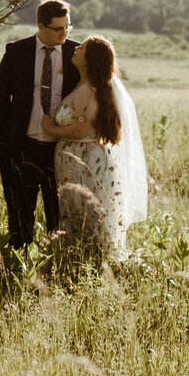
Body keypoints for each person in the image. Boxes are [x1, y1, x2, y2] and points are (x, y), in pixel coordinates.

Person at [44, 34, 149, 262]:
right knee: (80, 211)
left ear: (90, 58)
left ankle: (91, 261)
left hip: (85, 161)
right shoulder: (84, 86)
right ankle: (83, 258)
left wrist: (50, 128)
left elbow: (80, 131)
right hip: (78, 161)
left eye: (82, 47)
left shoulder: (88, 90)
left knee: (87, 212)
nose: (76, 47)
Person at [0, 0, 82, 246]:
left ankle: (55, 265)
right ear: (40, 26)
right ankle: (19, 266)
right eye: (58, 28)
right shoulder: (16, 51)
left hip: (60, 149)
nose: (64, 33)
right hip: (20, 145)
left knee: (58, 216)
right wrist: (0, 141)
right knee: (20, 216)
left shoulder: (78, 53)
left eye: (68, 27)